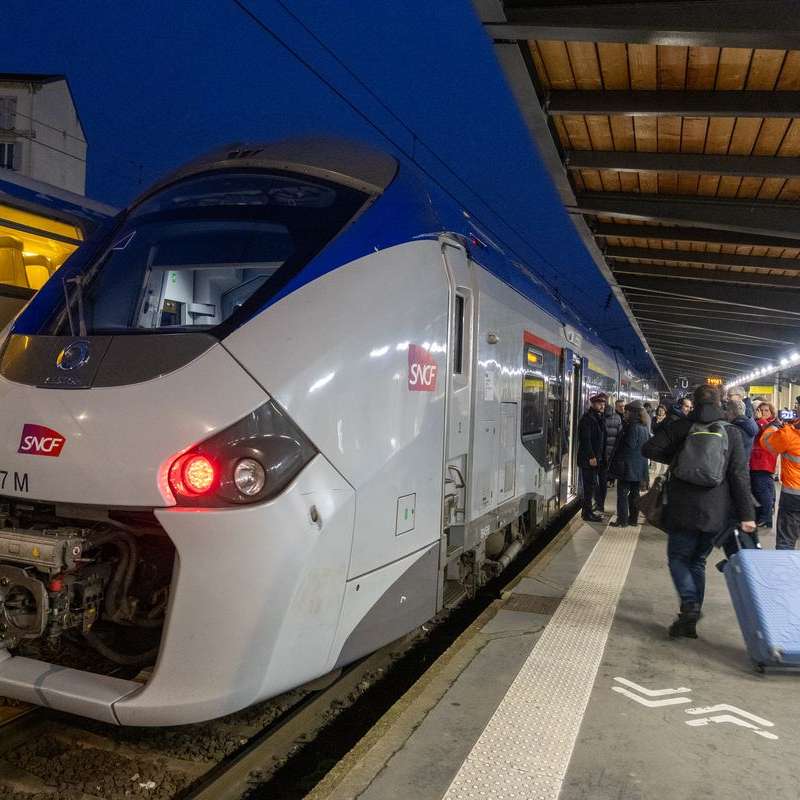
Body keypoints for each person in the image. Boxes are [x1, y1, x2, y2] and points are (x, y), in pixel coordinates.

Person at [643, 385, 755, 638]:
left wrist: (678, 459)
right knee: (698, 561)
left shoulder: (682, 427)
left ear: (693, 402)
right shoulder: (732, 432)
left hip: (682, 507)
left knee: (678, 559)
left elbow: (648, 449)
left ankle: (690, 605)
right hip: (715, 511)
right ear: (721, 402)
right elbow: (739, 477)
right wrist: (747, 515)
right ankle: (689, 621)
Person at [761, 401, 800, 549]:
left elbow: (766, 444)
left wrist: (774, 427)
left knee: (786, 542)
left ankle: (785, 571)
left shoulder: (788, 434)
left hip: (793, 495)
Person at [609, 401, 651, 527]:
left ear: (632, 413)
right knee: (634, 494)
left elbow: (629, 445)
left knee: (622, 493)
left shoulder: (632, 427)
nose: (625, 413)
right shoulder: (644, 427)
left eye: (626, 412)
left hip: (628, 466)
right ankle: (633, 520)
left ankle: (622, 521)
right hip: (639, 466)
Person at [577, 394, 607, 522]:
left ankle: (588, 511)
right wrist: (591, 456)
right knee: (588, 487)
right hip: (588, 460)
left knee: (591, 485)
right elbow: (585, 440)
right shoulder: (587, 419)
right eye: (600, 403)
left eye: (604, 404)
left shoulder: (598, 417)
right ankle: (587, 513)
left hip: (595, 459)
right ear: (593, 404)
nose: (602, 405)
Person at [750, 401, 778, 529]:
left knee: (763, 491)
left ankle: (766, 518)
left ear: (772, 412)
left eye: (766, 410)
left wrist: (761, 419)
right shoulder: (758, 423)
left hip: (764, 463)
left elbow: (766, 436)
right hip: (757, 462)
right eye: (761, 410)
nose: (763, 412)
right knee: (761, 490)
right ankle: (763, 516)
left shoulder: (772, 425)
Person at [599, 398, 624, 510]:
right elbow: (619, 437)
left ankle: (597, 503)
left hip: (599, 454)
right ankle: (600, 505)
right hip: (610, 454)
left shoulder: (600, 418)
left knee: (596, 481)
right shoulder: (618, 418)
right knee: (603, 480)